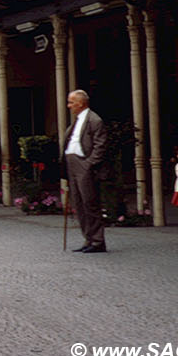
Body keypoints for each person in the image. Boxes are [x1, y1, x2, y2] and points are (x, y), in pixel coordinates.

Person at [63, 89, 107, 253]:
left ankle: (97, 241)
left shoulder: (94, 120)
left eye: (71, 102)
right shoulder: (77, 120)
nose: (69, 106)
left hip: (83, 164)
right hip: (72, 163)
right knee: (79, 204)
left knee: (90, 202)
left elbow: (100, 145)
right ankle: (88, 238)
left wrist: (89, 164)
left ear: (80, 103)